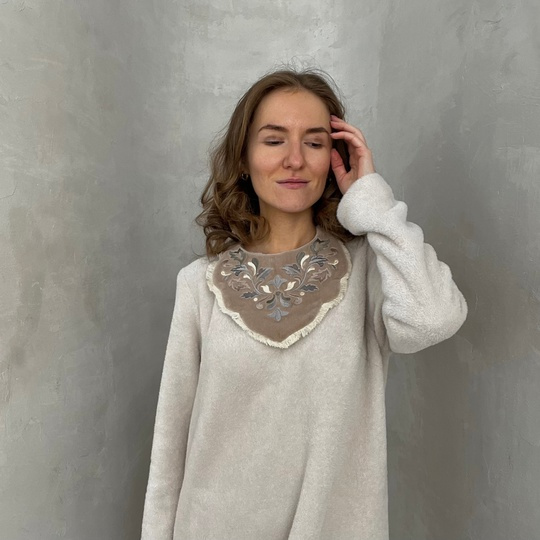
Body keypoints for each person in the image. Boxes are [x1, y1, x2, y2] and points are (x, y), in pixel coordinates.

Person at [140, 68, 468, 540]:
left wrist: (372, 201)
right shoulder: (198, 285)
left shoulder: (369, 272)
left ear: (334, 158)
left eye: (314, 143)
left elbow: (433, 319)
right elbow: (169, 448)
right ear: (244, 157)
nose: (294, 160)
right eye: (274, 140)